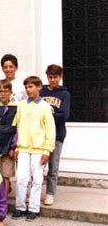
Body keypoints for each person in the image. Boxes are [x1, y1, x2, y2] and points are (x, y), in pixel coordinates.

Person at [12, 76, 55, 221]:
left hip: (39, 149)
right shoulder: (21, 105)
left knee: (37, 179)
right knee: (21, 178)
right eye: (26, 87)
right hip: (23, 148)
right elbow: (18, 127)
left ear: (39, 87)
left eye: (31, 87)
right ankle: (20, 207)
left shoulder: (45, 107)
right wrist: (17, 146)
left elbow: (50, 130)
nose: (28, 90)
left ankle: (33, 208)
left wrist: (47, 151)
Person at [41, 64, 70, 206]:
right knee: (37, 166)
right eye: (50, 77)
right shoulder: (41, 92)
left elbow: (63, 115)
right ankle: (34, 193)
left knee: (53, 166)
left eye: (55, 77)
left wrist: (48, 113)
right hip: (40, 134)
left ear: (60, 77)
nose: (53, 80)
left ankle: (50, 193)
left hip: (57, 135)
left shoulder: (65, 94)